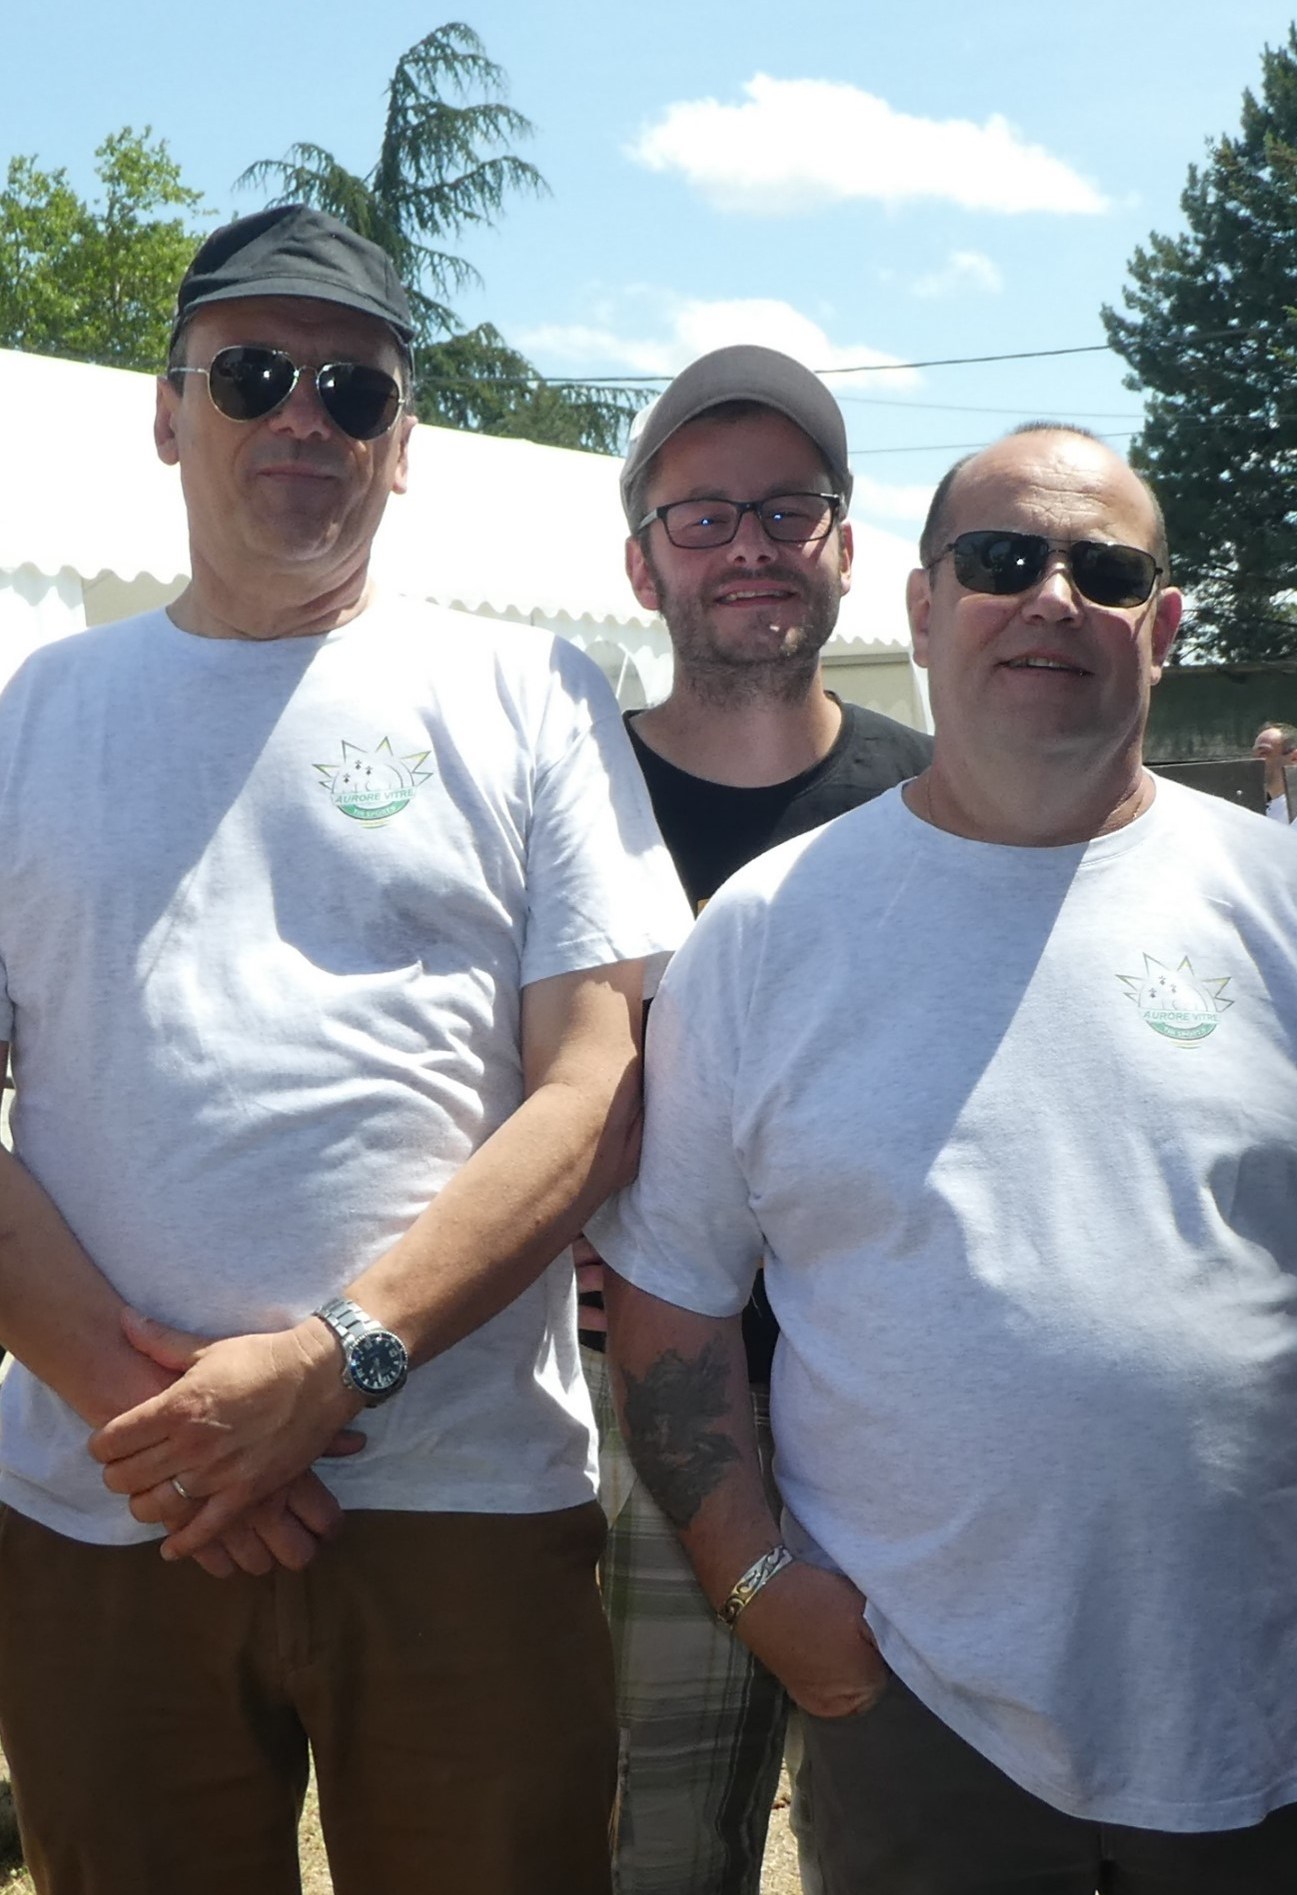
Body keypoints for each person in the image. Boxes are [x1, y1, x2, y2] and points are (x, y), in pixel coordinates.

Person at [591, 422, 1297, 1894]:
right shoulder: (768, 931)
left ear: (1161, 627)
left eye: (1103, 570)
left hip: (1271, 1719)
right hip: (915, 1717)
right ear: (922, 607)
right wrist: (757, 1583)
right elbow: (672, 1297)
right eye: (998, 558)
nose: (1050, 595)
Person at [0, 205, 690, 1894]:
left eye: (354, 389)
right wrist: (160, 1421)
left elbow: (596, 1082)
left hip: (457, 1496)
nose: (304, 416)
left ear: (403, 442)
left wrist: (332, 1369)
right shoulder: (34, 714)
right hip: (108, 1499)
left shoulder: (529, 688)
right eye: (252, 374)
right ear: (169, 413)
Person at [577, 343, 930, 1895]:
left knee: (917, 1838)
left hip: (897, 1406)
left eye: (789, 509)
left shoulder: (937, 799)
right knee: (653, 1845)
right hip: (643, 1408)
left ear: (843, 547)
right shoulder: (564, 798)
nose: (749, 545)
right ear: (641, 560)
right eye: (703, 515)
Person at [1251, 718, 1297, 820]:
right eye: (1254, 754)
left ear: (1295, 758)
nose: (1254, 760)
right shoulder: (1257, 812)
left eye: (1263, 753)